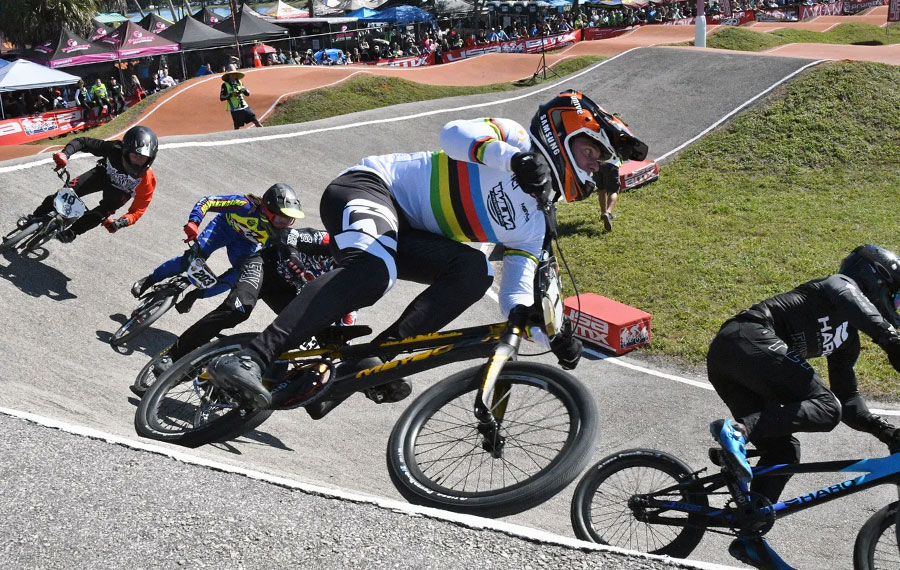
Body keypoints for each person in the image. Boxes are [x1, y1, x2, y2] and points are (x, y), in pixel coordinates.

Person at [205, 90, 648, 410]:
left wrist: (549, 331)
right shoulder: (513, 137)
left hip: (407, 235)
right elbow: (452, 134)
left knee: (475, 271)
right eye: (593, 153)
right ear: (564, 135)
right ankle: (251, 355)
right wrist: (510, 160)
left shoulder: (535, 225)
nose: (595, 168)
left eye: (600, 162)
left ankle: (367, 365)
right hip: (372, 187)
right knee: (372, 274)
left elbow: (515, 293)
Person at [708, 244, 900, 524]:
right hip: (745, 338)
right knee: (825, 407)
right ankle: (738, 431)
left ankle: (750, 522)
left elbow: (847, 401)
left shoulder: (847, 340)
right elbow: (856, 306)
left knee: (783, 451)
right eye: (895, 298)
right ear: (875, 279)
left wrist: (884, 431)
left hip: (734, 362)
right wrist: (891, 342)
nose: (895, 307)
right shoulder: (839, 285)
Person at [139, 187, 356, 391]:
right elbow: (287, 236)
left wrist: (340, 351)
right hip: (266, 267)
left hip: (287, 291)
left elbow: (346, 319)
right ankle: (175, 354)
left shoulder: (356, 277)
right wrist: (294, 257)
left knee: (304, 338)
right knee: (236, 311)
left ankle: (233, 386)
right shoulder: (329, 240)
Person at [130, 184, 303, 312]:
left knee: (241, 275)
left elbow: (278, 256)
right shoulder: (245, 205)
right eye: (281, 220)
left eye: (289, 221)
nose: (284, 225)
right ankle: (150, 280)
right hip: (222, 228)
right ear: (266, 210)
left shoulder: (281, 235)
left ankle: (195, 295)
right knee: (192, 259)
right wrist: (194, 222)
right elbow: (209, 202)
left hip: (245, 245)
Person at [20, 126, 158, 243]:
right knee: (63, 194)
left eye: (143, 158)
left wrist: (122, 222)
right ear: (125, 150)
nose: (138, 162)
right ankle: (34, 217)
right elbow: (83, 142)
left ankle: (73, 232)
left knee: (100, 214)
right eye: (135, 155)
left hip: (119, 193)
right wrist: (65, 154)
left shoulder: (147, 179)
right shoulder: (114, 148)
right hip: (101, 175)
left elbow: (138, 209)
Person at [220, 64, 262, 130]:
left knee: (256, 121)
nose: (233, 76)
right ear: (228, 75)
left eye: (234, 74)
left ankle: (264, 132)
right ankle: (236, 139)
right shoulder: (225, 85)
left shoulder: (239, 82)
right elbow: (222, 97)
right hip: (235, 109)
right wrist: (231, 94)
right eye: (231, 74)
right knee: (237, 127)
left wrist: (244, 90)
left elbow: (247, 94)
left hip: (245, 106)